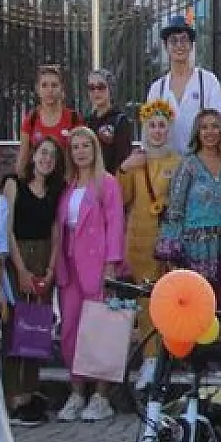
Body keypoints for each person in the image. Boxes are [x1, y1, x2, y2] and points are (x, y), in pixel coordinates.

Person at [53, 126, 125, 423]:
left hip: (97, 264)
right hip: (69, 264)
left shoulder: (106, 184)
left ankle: (101, 395)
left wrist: (111, 262)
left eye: (86, 146)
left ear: (95, 149)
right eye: (76, 147)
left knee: (100, 329)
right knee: (70, 329)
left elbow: (115, 223)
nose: (81, 151)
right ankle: (76, 390)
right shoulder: (68, 186)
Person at [1, 135, 64, 425]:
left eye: (52, 155)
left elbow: (55, 230)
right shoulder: (14, 184)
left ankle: (30, 390)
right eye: (42, 153)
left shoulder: (54, 190)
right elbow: (7, 228)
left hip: (43, 256)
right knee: (16, 325)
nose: (46, 159)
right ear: (33, 155)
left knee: (37, 327)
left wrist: (51, 267)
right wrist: (21, 269)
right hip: (20, 257)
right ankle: (13, 395)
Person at [118, 99, 181, 383]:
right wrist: (123, 168)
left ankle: (169, 355)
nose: (157, 131)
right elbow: (120, 198)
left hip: (168, 241)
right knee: (145, 301)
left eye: (162, 126)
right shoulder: (135, 163)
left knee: (169, 299)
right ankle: (149, 358)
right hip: (140, 241)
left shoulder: (178, 163)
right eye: (152, 126)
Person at [156, 108, 221, 309]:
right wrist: (171, 250)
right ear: (197, 132)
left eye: (214, 126)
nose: (210, 132)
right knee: (195, 307)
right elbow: (176, 209)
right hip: (194, 249)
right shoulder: (188, 165)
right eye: (204, 127)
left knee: (218, 308)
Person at [145, 15, 221, 154]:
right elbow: (148, 131)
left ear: (191, 45)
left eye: (184, 40)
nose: (179, 45)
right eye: (173, 41)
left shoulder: (207, 81)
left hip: (201, 164)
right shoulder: (157, 88)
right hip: (166, 167)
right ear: (166, 46)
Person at [16, 64, 83, 173]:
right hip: (39, 183)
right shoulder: (31, 119)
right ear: (37, 89)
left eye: (54, 85)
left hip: (66, 182)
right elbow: (23, 158)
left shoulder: (74, 118)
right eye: (44, 85)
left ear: (62, 88)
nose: (50, 90)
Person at [82, 68, 133, 174]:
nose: (96, 92)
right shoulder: (86, 122)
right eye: (91, 88)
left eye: (101, 87)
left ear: (110, 88)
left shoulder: (120, 120)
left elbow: (123, 159)